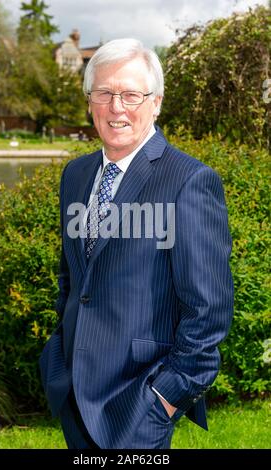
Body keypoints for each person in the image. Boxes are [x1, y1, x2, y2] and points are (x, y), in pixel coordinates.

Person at [39, 38, 234, 450]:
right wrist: (59, 354)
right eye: (104, 93)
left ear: (156, 102)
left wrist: (165, 397)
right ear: (89, 101)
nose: (117, 107)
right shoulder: (76, 175)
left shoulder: (188, 181)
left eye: (130, 94)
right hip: (73, 391)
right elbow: (72, 277)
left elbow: (208, 310)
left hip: (138, 402)